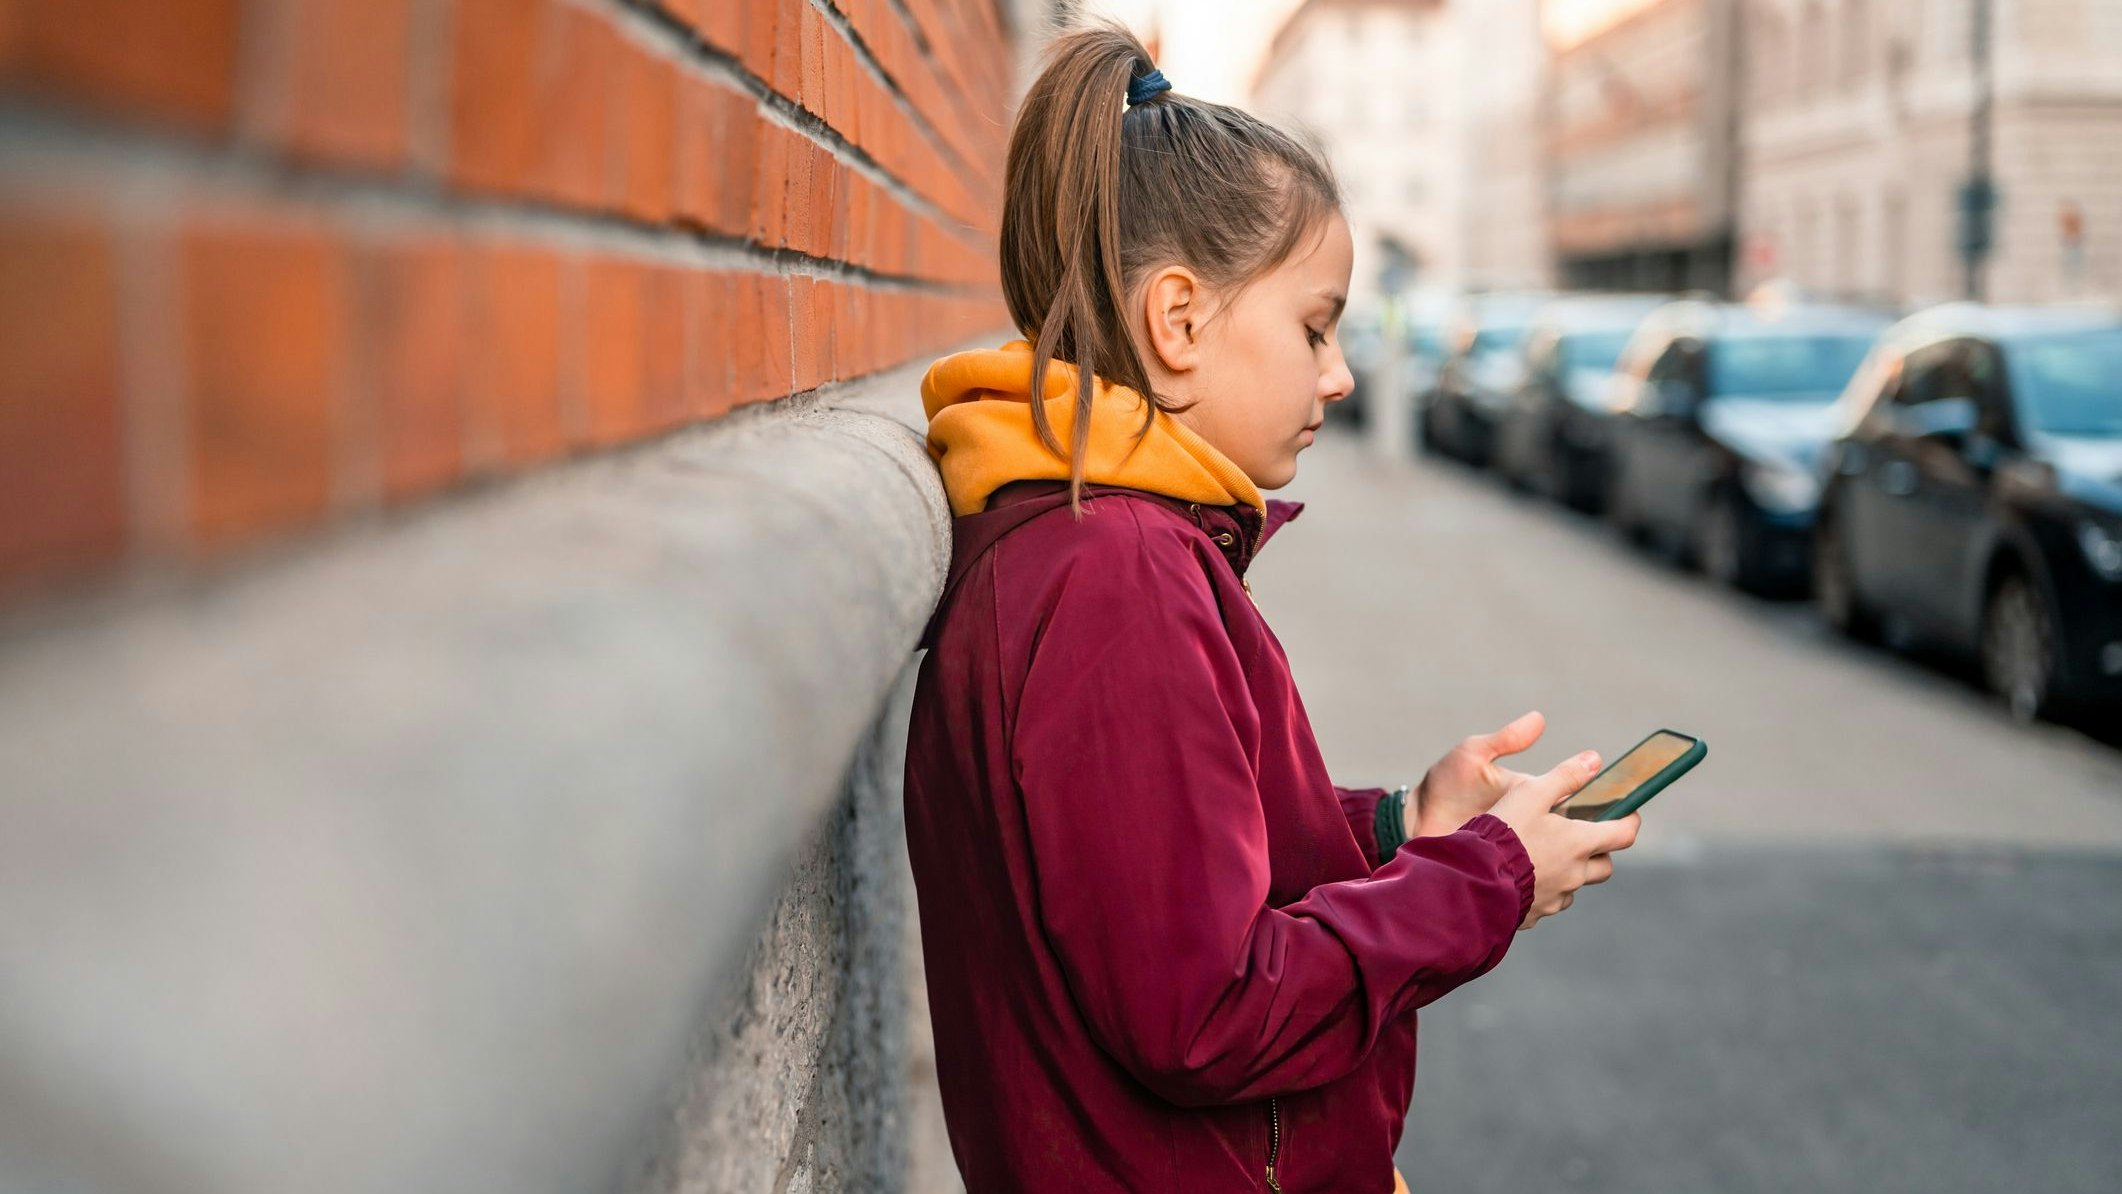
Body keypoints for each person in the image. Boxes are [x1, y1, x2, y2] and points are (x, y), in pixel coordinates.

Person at [901, 20, 1640, 1193]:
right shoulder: (1116, 577)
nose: (1339, 373)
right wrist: (1484, 883)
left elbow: (1165, 865)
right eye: (1313, 325)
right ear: (1180, 322)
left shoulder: (1100, 544)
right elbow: (1206, 1011)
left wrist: (1398, 831)